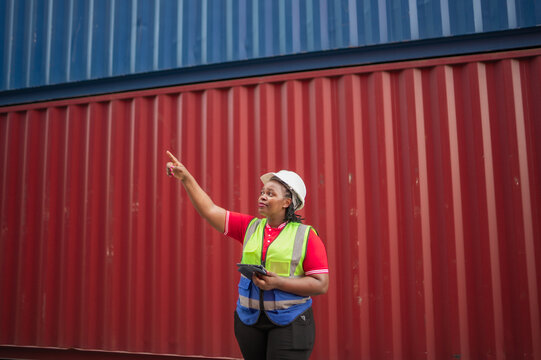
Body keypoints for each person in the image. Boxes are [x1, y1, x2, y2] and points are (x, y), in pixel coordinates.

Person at [166, 150, 329, 360]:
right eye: (263, 192)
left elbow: (321, 284)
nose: (262, 196)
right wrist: (186, 179)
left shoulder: (306, 236)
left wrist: (277, 283)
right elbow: (209, 210)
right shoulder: (250, 227)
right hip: (249, 322)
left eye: (271, 193)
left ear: (287, 202)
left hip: (291, 322)